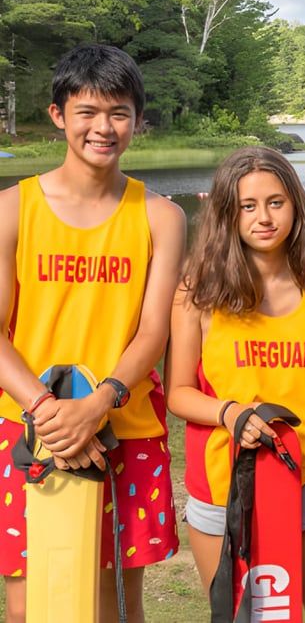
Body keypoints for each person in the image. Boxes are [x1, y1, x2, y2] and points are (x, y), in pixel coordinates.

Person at [0, 43, 186, 622]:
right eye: (88, 111)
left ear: (136, 120)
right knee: (34, 599)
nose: (103, 128)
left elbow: (153, 331)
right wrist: (48, 410)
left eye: (119, 113)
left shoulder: (161, 215)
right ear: (59, 115)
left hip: (124, 429)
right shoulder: (13, 209)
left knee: (116, 602)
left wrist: (99, 403)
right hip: (27, 432)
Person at [166, 146, 305, 621]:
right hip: (225, 479)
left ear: (296, 204)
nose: (263, 217)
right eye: (247, 206)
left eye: (276, 202)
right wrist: (230, 413)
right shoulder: (198, 290)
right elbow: (179, 394)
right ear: (228, 214)